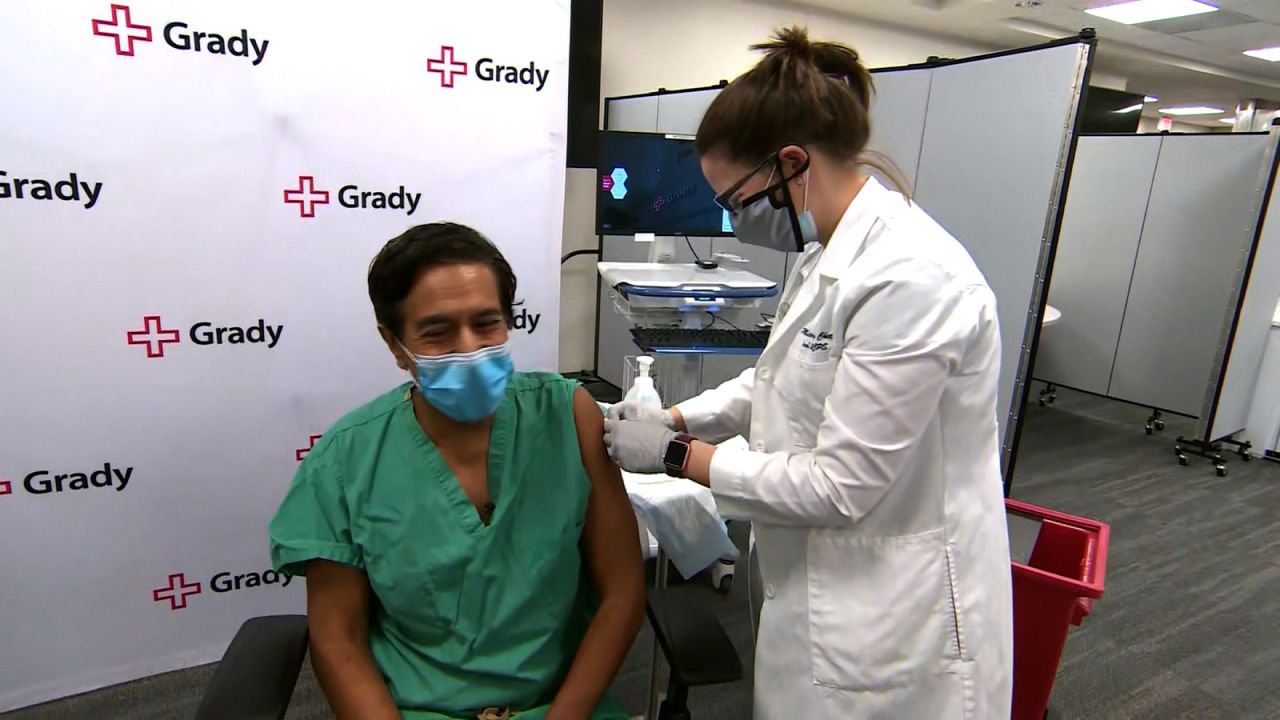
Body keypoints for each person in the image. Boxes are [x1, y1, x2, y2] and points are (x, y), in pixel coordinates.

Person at [603, 27, 1014, 719]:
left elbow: (841, 486)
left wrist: (677, 456)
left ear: (792, 162)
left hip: (895, 614)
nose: (733, 222)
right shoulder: (827, 252)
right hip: (823, 584)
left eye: (733, 201)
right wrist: (676, 418)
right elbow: (776, 380)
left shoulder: (911, 275)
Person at [269, 223, 645, 720]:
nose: (469, 348)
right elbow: (339, 640)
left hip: (559, 708)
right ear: (395, 344)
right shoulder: (345, 461)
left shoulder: (568, 417)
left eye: (486, 323)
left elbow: (623, 591)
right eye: (438, 332)